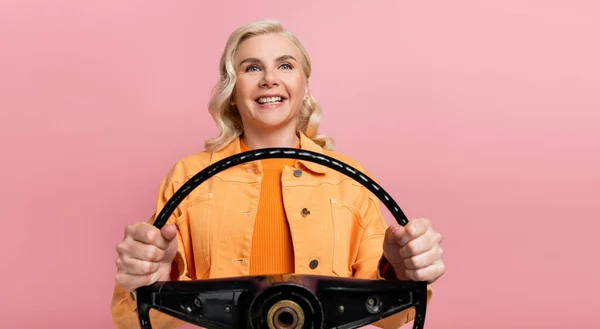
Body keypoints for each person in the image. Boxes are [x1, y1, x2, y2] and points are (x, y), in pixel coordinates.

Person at [110, 19, 446, 329]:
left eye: (285, 65)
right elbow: (135, 319)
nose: (269, 78)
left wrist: (401, 270)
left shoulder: (349, 179)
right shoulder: (189, 176)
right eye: (252, 67)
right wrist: (151, 277)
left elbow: (393, 315)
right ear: (231, 91)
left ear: (305, 87)